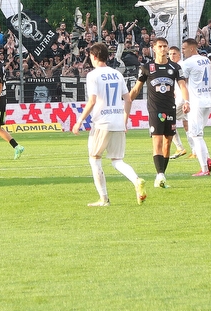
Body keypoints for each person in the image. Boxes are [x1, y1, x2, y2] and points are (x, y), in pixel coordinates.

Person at [72, 43, 146, 206]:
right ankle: (136, 180)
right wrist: (124, 121)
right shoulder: (117, 74)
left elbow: (92, 101)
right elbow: (128, 99)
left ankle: (104, 199)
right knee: (117, 160)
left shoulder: (93, 75)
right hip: (118, 121)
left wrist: (79, 121)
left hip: (102, 123)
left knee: (94, 159)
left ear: (94, 56)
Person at [129, 37, 189, 189]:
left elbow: (182, 86)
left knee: (168, 143)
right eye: (160, 46)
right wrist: (125, 101)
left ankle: (160, 176)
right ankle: (160, 174)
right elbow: (136, 89)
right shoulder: (146, 67)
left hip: (171, 109)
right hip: (155, 110)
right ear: (154, 48)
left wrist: (187, 102)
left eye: (165, 46)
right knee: (157, 141)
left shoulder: (175, 67)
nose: (163, 49)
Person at [180, 38, 211, 176]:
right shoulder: (206, 60)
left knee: (196, 135)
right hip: (207, 100)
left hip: (196, 102)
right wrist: (209, 95)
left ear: (192, 49)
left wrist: (186, 101)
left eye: (184, 48)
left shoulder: (187, 63)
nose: (183, 51)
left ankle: (205, 168)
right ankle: (207, 158)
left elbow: (183, 83)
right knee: (199, 133)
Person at [167, 46, 189, 159]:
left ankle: (180, 147)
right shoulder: (176, 66)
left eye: (174, 53)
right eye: (170, 54)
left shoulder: (180, 65)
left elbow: (185, 82)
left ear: (179, 55)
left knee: (168, 120)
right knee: (187, 124)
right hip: (183, 98)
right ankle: (194, 150)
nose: (172, 56)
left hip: (182, 99)